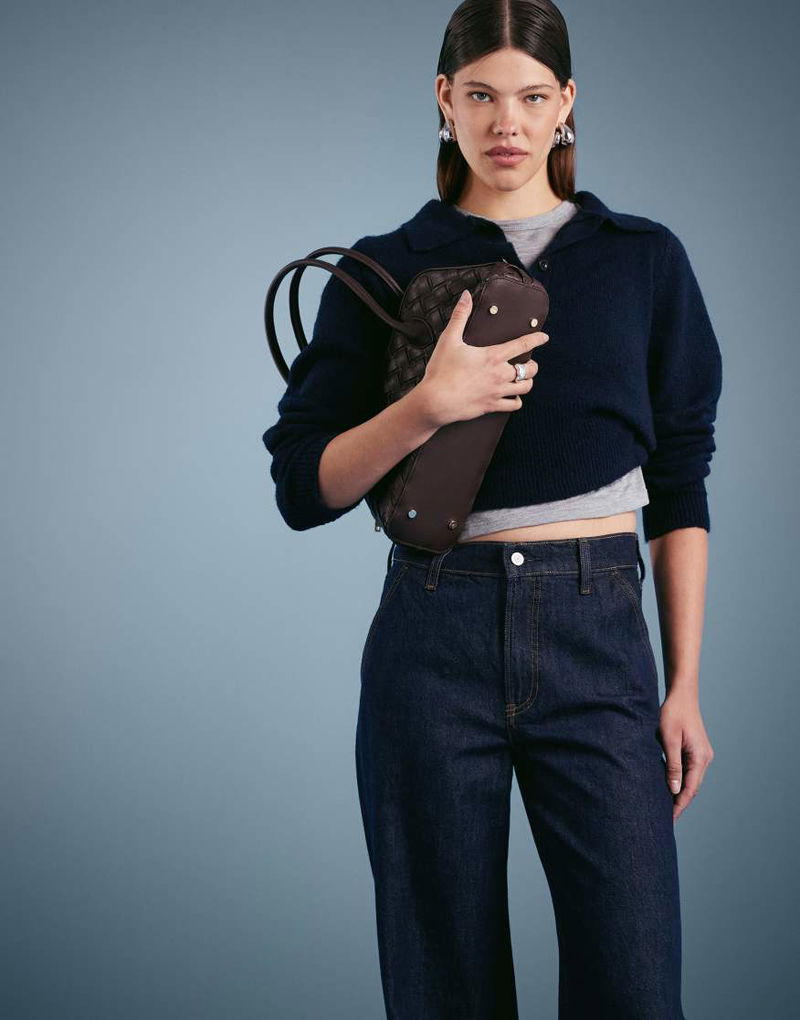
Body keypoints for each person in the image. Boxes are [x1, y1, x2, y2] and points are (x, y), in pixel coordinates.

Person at [262, 1, 722, 1015]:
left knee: (635, 984)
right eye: (479, 96)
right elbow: (303, 486)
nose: (505, 123)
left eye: (529, 96)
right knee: (443, 988)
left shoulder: (641, 260)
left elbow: (681, 479)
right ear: (444, 101)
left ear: (565, 104)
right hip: (433, 632)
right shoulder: (384, 267)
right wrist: (428, 405)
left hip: (599, 633)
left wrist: (684, 683)